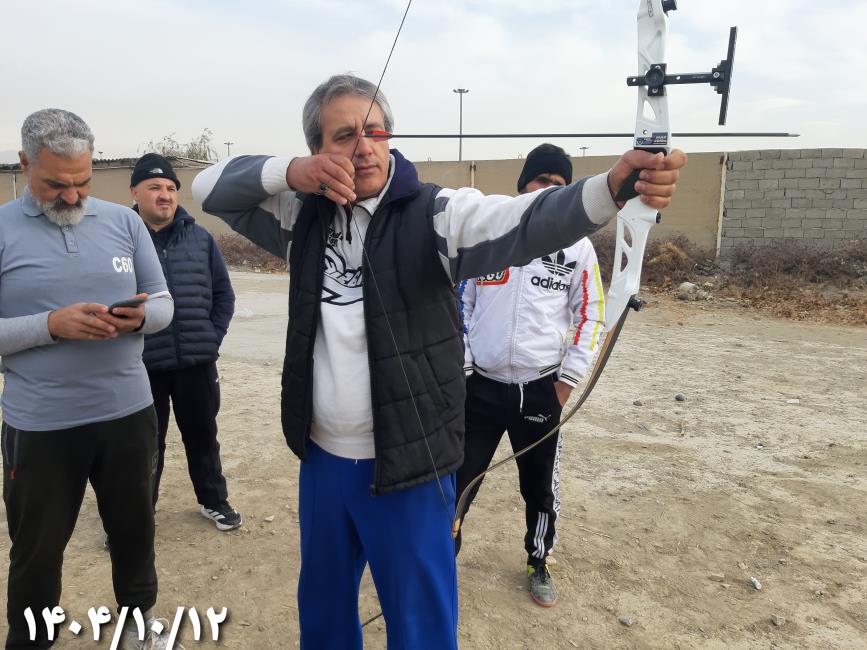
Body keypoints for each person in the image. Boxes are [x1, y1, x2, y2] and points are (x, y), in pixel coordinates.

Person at [191, 74, 687, 649]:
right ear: (317, 149)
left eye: (376, 131)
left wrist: (614, 186)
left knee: (420, 627)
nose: (364, 146)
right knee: (323, 613)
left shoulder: (437, 215)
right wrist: (292, 172)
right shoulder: (298, 217)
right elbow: (207, 188)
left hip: (410, 466)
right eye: (345, 135)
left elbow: (527, 220)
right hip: (324, 459)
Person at [0, 109, 182, 649]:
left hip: (128, 413)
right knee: (37, 549)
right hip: (41, 425)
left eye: (82, 182)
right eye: (56, 184)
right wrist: (49, 326)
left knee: (134, 532)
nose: (73, 196)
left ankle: (137, 625)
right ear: (24, 163)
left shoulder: (125, 222)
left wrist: (139, 318)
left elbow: (164, 302)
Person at [455, 143, 604, 608]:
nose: (547, 190)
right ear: (523, 185)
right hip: (480, 386)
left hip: (540, 389)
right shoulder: (491, 233)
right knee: (457, 479)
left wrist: (566, 382)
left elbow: (591, 314)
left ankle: (538, 560)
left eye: (559, 185)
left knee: (539, 487)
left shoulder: (577, 247)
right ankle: (442, 551)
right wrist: (464, 364)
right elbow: (461, 305)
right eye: (541, 181)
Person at [129, 153, 241, 531]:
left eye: (170, 188)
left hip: (196, 363)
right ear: (135, 192)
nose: (165, 195)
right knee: (144, 444)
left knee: (203, 437)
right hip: (143, 366)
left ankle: (214, 500)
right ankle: (138, 514)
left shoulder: (200, 239)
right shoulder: (122, 240)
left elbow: (224, 295)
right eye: (154, 187)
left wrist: (211, 337)